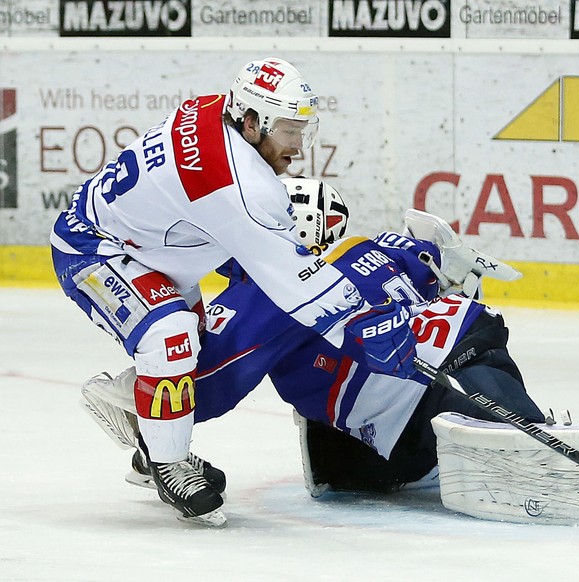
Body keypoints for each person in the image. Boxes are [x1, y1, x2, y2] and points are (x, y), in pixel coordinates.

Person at [79, 180, 579, 527]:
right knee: (412, 447)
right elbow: (439, 256)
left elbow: (211, 385)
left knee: (523, 442)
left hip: (430, 379)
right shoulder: (372, 246)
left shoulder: (268, 291)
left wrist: (157, 423)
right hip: (455, 353)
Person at [50, 58, 420, 527]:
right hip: (93, 247)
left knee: (202, 352)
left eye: (302, 128)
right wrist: (368, 325)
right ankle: (167, 464)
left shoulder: (212, 112)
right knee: (170, 336)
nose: (298, 146)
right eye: (288, 129)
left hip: (152, 245)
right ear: (250, 122)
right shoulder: (240, 184)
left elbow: (201, 207)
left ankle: (149, 434)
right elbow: (299, 285)